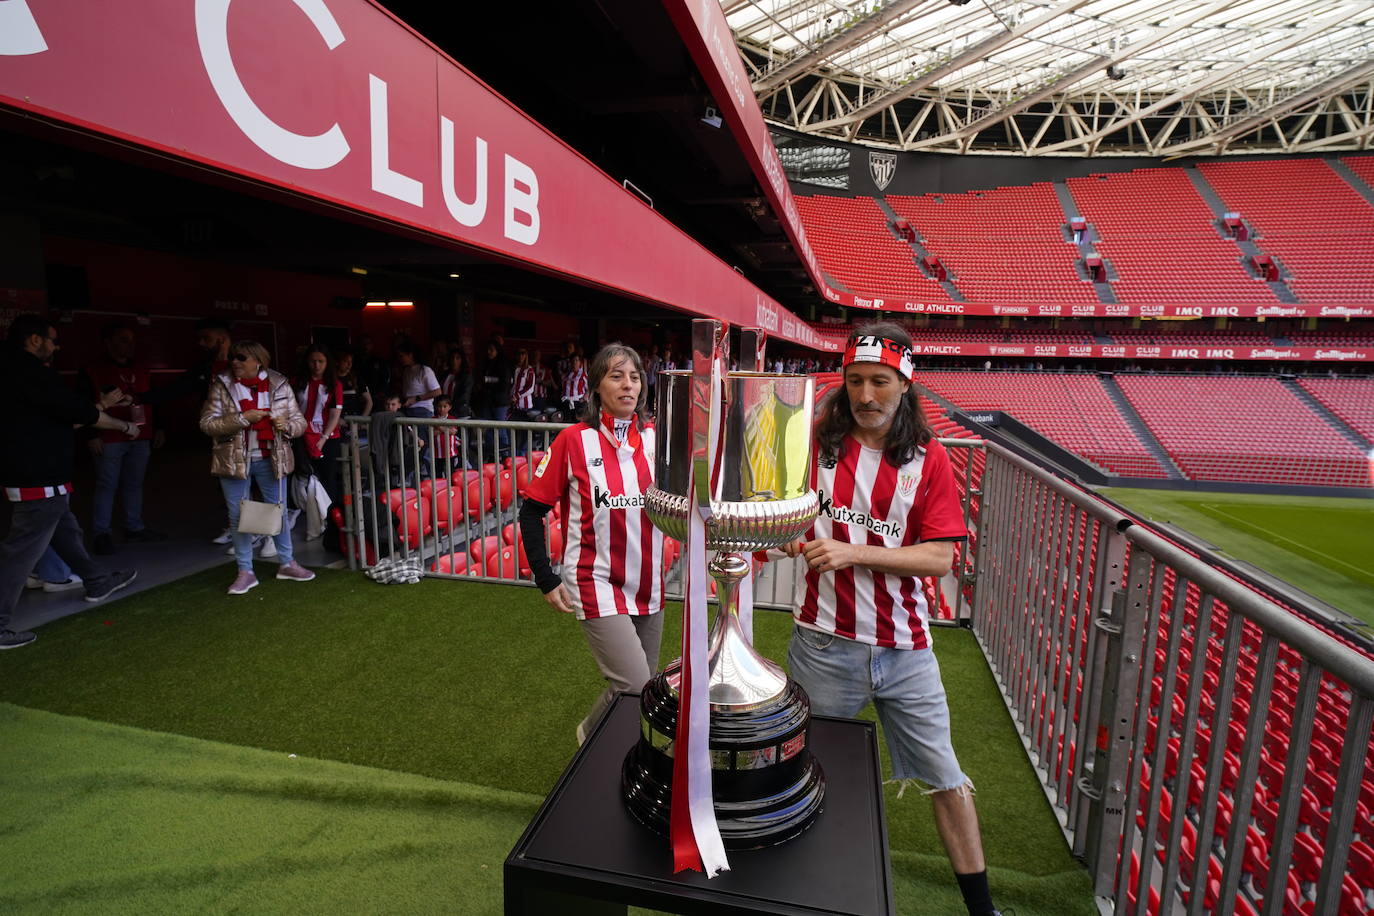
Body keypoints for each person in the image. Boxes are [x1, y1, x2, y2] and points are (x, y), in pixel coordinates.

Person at [770, 322, 1003, 916]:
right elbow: (782, 518)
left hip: (906, 649)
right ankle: (799, 892)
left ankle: (982, 910)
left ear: (905, 384)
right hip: (823, 643)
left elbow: (940, 556)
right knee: (803, 770)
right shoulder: (814, 440)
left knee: (947, 778)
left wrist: (854, 551)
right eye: (855, 381)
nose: (866, 395)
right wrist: (777, 542)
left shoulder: (930, 458)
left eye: (880, 381)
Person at [519, 343, 663, 744]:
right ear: (596, 385)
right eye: (616, 376)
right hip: (595, 581)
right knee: (635, 686)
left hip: (649, 582)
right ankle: (595, 742)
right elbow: (532, 512)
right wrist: (545, 578)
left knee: (643, 692)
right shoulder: (572, 441)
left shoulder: (655, 440)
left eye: (635, 377)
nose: (628, 385)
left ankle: (592, 732)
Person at [0, 314, 140, 649]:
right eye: (53, 339)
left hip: (33, 473)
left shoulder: (10, 372)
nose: (57, 346)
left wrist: (99, 408)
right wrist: (124, 426)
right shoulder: (30, 374)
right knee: (21, 552)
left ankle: (97, 579)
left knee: (65, 528)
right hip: (38, 475)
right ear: (34, 340)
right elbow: (81, 415)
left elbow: (62, 416)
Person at [200, 339, 315, 595]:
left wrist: (286, 426)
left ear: (258, 360)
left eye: (241, 358)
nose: (235, 362)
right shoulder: (221, 383)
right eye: (233, 357)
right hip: (233, 459)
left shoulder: (279, 383)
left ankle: (287, 563)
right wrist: (243, 418)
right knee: (238, 517)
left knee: (279, 511)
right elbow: (207, 424)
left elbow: (300, 423)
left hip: (270, 457)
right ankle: (245, 571)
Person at [79, 323, 166, 553]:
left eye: (131, 340)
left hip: (141, 434)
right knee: (106, 485)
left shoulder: (142, 368)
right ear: (108, 342)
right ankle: (101, 534)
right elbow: (83, 406)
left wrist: (159, 428)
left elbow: (154, 399)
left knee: (134, 484)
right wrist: (92, 435)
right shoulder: (92, 370)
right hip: (108, 437)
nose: (130, 345)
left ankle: (134, 528)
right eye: (123, 339)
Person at [296, 344, 345, 505]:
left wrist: (323, 439)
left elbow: (334, 415)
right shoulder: (298, 381)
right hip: (301, 434)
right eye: (312, 361)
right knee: (302, 475)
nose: (316, 365)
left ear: (327, 363)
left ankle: (329, 520)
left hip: (328, 437)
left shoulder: (334, 384)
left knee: (327, 478)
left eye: (320, 361)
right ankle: (307, 516)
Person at [395, 343, 441, 418]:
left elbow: (437, 391)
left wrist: (417, 399)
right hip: (408, 410)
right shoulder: (406, 371)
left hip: (423, 411)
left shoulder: (425, 370)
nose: (400, 359)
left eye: (401, 356)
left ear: (410, 355)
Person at [335, 347, 373, 420]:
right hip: (337, 420)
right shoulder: (330, 379)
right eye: (346, 361)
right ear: (337, 362)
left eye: (351, 361)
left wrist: (361, 420)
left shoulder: (356, 378)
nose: (349, 364)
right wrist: (336, 420)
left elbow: (369, 402)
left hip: (354, 419)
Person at [440, 350, 472, 418]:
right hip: (442, 412)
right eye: (452, 358)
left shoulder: (466, 377)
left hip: (459, 413)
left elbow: (464, 397)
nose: (454, 361)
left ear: (462, 360)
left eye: (458, 358)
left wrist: (449, 407)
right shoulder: (444, 375)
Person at [510, 348, 536, 418]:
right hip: (513, 405)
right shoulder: (513, 368)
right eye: (519, 354)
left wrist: (517, 396)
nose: (521, 356)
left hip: (525, 406)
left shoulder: (529, 370)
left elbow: (530, 388)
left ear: (526, 356)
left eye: (523, 354)